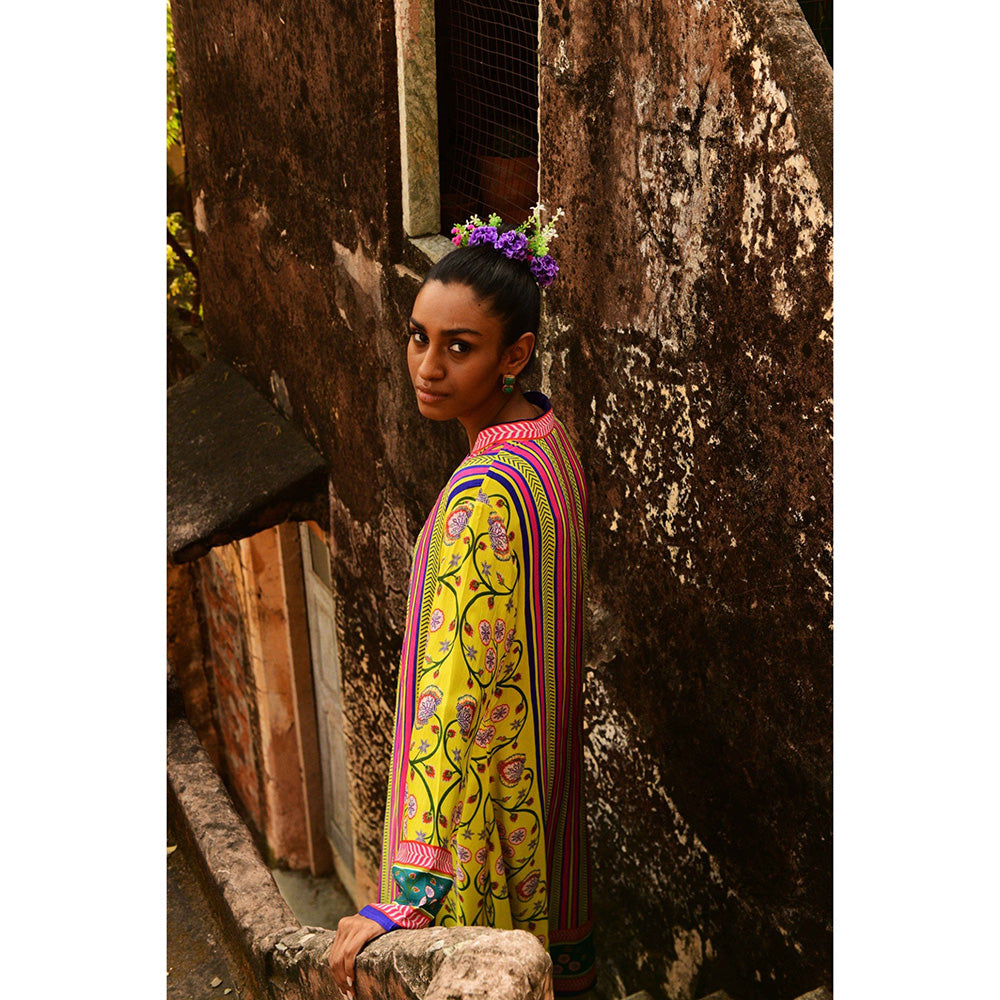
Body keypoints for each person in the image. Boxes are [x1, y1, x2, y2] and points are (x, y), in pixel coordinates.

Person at [328, 211, 596, 998]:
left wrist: (410, 897)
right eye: (419, 337)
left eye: (459, 346)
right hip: (542, 788)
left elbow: (451, 697)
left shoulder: (481, 498)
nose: (428, 365)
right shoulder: (547, 440)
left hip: (488, 822)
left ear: (516, 354)